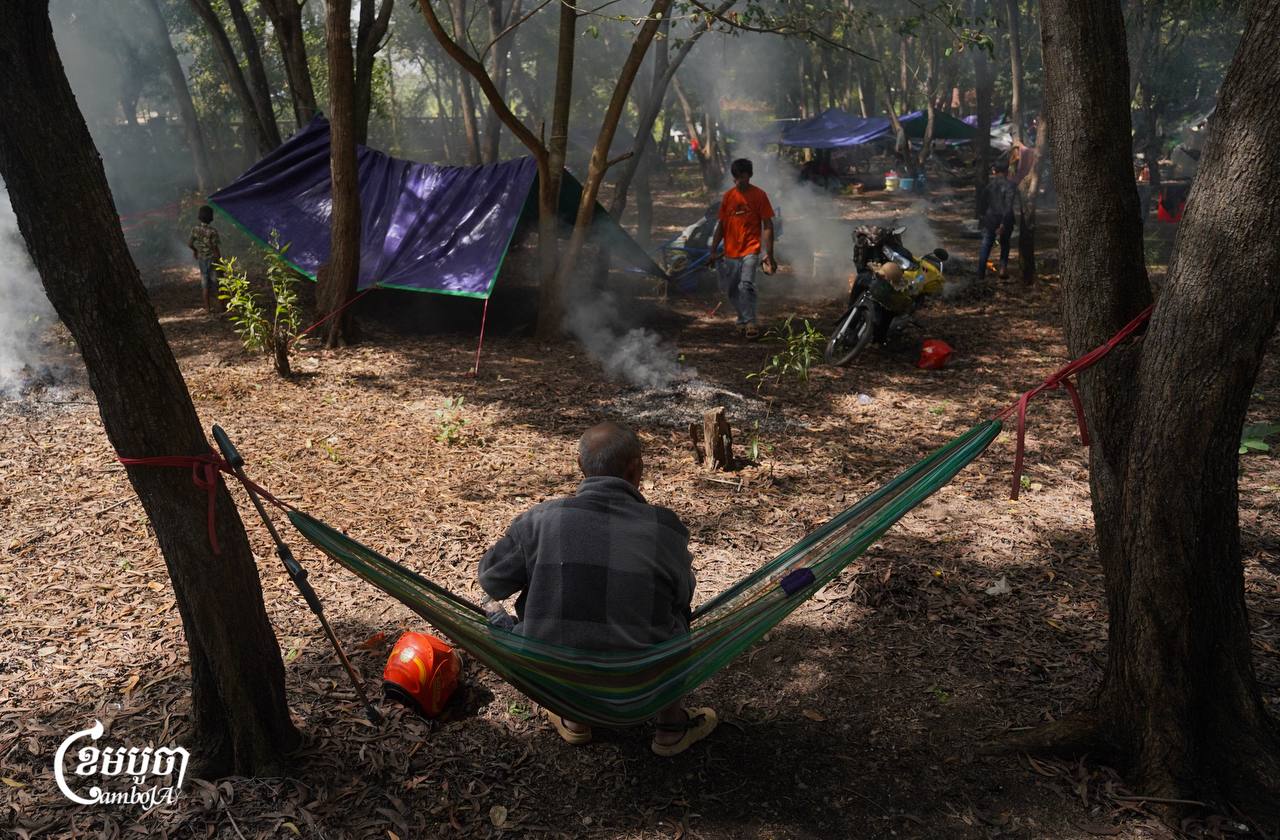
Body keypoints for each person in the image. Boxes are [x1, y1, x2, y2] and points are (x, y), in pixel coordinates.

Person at [477, 422, 717, 757]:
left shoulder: (540, 521)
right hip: (641, 683)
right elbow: (683, 596)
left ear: (581, 468)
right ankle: (670, 728)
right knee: (676, 613)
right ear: (637, 469)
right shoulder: (664, 528)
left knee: (505, 607)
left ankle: (575, 721)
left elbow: (491, 582)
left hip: (554, 674)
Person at [710, 158, 776, 340]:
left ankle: (750, 322)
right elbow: (721, 226)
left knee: (745, 285)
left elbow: (768, 225)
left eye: (745, 178)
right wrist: (713, 250)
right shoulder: (728, 197)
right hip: (730, 252)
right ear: (733, 178)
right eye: (738, 178)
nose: (741, 182)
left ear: (750, 176)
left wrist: (769, 254)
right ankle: (742, 319)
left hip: (751, 249)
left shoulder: (759, 196)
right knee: (732, 290)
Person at [977, 161, 1020, 281]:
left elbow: (982, 204)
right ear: (1006, 171)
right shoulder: (1010, 185)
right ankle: (1002, 269)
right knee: (1005, 244)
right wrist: (1003, 223)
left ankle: (980, 273)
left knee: (986, 245)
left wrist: (982, 218)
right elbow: (1008, 206)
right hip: (1005, 219)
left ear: (994, 171)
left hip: (990, 219)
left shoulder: (989, 186)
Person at [188, 205, 221, 312]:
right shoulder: (213, 231)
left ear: (199, 216)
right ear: (211, 217)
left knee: (205, 284)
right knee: (217, 283)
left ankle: (208, 308)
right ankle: (222, 307)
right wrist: (220, 261)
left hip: (202, 260)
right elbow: (215, 248)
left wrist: (195, 251)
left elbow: (189, 244)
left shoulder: (195, 229)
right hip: (212, 260)